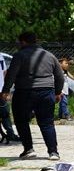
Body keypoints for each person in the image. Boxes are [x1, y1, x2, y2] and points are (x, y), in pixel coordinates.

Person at [0, 31, 64, 160]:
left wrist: (5, 91)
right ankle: (53, 152)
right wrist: (57, 92)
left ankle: (28, 149)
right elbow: (60, 76)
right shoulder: (49, 56)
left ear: (23, 41)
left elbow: (11, 74)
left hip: (24, 92)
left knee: (21, 121)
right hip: (46, 92)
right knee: (47, 123)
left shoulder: (19, 55)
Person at [0, 54, 20, 142]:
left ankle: (10, 134)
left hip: (0, 90)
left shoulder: (0, 56)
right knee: (5, 113)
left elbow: (5, 72)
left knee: (5, 113)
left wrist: (5, 89)